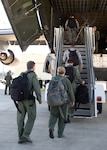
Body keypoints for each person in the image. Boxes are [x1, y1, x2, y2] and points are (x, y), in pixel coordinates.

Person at [17, 61, 42, 144]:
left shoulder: (21, 74)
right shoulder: (33, 75)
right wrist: (39, 99)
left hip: (20, 100)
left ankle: (20, 137)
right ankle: (26, 135)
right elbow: (37, 88)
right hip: (29, 100)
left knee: (20, 118)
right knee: (32, 116)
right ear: (33, 67)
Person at [48, 66, 75, 139]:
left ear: (57, 72)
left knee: (53, 115)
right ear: (64, 72)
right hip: (63, 101)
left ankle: (51, 127)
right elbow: (70, 91)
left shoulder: (53, 79)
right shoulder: (66, 80)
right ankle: (60, 133)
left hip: (53, 100)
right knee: (62, 116)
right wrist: (72, 100)